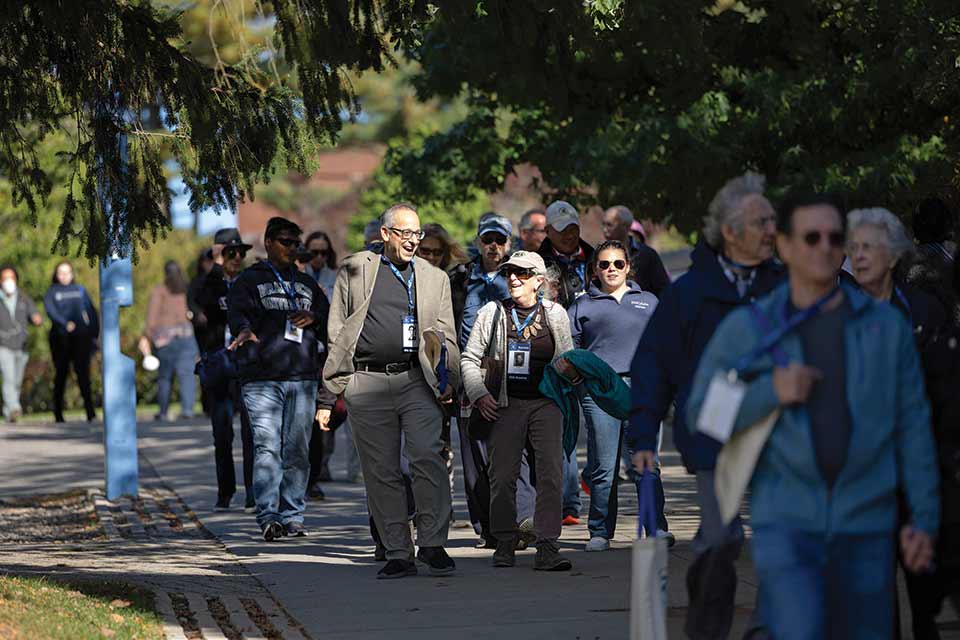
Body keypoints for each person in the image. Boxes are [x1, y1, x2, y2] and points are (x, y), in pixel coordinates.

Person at [686, 194, 940, 639]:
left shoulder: (884, 327)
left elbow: (913, 426)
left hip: (867, 522)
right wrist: (769, 391)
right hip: (788, 523)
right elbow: (705, 416)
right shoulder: (750, 328)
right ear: (783, 245)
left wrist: (923, 517)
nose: (824, 247)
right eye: (811, 237)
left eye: (835, 237)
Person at [628, 172, 783, 639]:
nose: (773, 230)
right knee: (721, 540)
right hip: (715, 429)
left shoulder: (788, 286)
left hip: (779, 431)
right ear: (730, 232)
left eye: (773, 219)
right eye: (761, 221)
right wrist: (642, 436)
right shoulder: (689, 292)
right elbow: (653, 365)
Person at [322, 202, 460, 579]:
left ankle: (432, 543)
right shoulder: (355, 268)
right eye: (405, 233)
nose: (413, 241)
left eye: (417, 234)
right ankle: (399, 551)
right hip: (367, 382)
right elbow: (337, 331)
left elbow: (446, 334)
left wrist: (450, 379)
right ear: (385, 234)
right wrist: (334, 391)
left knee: (427, 457)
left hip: (418, 379)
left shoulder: (434, 278)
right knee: (380, 470)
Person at [847, 207, 952, 638]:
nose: (859, 256)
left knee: (925, 599)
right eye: (853, 248)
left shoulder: (925, 313)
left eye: (869, 246)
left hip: (916, 475)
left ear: (893, 255)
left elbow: (946, 394)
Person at [461, 250, 573, 571]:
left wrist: (571, 375)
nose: (513, 278)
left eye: (523, 274)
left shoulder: (556, 314)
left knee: (552, 476)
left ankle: (548, 545)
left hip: (546, 404)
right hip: (505, 406)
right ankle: (505, 541)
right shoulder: (491, 312)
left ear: (539, 281)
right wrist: (480, 394)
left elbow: (567, 358)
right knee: (503, 476)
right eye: (510, 272)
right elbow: (469, 359)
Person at [228, 216, 335, 541]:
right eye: (286, 243)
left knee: (297, 450)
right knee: (266, 448)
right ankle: (268, 515)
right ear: (269, 242)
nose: (293, 249)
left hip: (301, 377)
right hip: (261, 378)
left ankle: (293, 515)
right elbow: (237, 314)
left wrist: (315, 316)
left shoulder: (304, 284)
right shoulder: (250, 279)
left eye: (296, 244)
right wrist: (244, 330)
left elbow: (328, 317)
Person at [450, 214, 538, 549]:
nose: (493, 246)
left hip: (512, 374)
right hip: (470, 375)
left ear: (509, 243)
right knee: (475, 456)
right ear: (477, 241)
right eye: (488, 239)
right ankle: (488, 528)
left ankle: (522, 520)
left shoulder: (519, 276)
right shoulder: (461, 278)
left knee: (517, 448)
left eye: (500, 240)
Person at [568, 240, 661, 552]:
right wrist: (584, 383)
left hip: (642, 390)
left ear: (628, 267)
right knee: (603, 466)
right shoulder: (582, 305)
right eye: (604, 264)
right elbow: (571, 351)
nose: (611, 270)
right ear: (594, 269)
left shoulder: (649, 301)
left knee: (645, 462)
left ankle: (656, 526)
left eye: (618, 264)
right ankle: (599, 531)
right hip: (600, 392)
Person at [537, 200, 593, 524]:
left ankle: (591, 481)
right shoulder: (539, 263)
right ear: (548, 232)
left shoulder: (595, 257)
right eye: (561, 231)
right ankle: (569, 504)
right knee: (564, 428)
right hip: (557, 354)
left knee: (603, 434)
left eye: (573, 229)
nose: (569, 236)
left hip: (594, 352)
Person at [197, 228, 256, 513]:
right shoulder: (211, 283)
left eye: (240, 253)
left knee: (250, 432)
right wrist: (217, 267)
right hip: (220, 363)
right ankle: (225, 491)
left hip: (246, 363)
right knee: (222, 433)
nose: (235, 257)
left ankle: (252, 492)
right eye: (229, 252)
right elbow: (201, 300)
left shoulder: (250, 283)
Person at [44, 261, 98, 423]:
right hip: (60, 340)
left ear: (72, 274)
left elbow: (91, 311)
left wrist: (94, 332)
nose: (64, 275)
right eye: (61, 272)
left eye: (67, 272)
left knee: (83, 376)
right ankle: (58, 414)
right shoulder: (52, 292)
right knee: (61, 375)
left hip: (81, 339)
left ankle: (90, 412)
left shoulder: (80, 290)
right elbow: (50, 311)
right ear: (56, 274)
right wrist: (64, 324)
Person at [145, 261, 199, 421]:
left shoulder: (160, 290)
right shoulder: (186, 289)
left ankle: (163, 411)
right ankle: (188, 409)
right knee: (187, 375)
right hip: (187, 337)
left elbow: (152, 317)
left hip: (165, 340)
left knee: (165, 377)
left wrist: (148, 335)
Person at [0, 266, 42, 422]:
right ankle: (14, 408)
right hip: (3, 345)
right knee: (9, 378)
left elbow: (34, 314)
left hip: (22, 345)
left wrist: (37, 318)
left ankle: (9, 412)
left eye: (11, 277)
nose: (8, 281)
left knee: (16, 380)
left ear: (16, 279)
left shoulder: (24, 298)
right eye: (5, 278)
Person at [601, 205, 671, 297]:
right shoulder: (598, 255)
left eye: (610, 225)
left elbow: (663, 289)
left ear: (625, 226)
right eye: (603, 224)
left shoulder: (646, 254)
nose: (605, 230)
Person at [188, 248, 215, 416]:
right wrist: (198, 313)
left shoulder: (219, 280)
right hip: (203, 331)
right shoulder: (197, 282)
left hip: (219, 331)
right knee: (206, 365)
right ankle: (207, 404)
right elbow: (190, 301)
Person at [303, 231, 338, 301]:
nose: (319, 257)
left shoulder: (336, 277)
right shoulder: (299, 273)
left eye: (323, 253)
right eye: (314, 252)